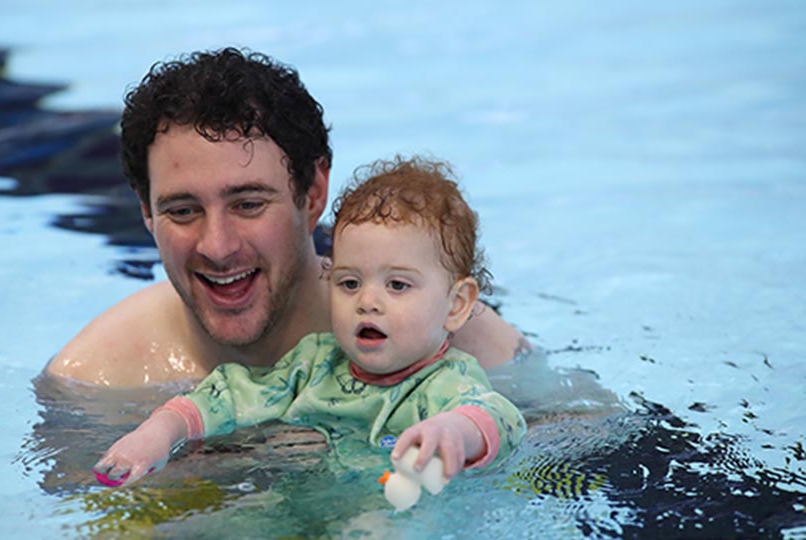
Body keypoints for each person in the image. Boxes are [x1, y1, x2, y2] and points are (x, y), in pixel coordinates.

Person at [44, 47, 529, 387]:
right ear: (146, 213)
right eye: (183, 210)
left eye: (249, 204)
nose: (218, 245)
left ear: (313, 192)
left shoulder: (449, 336)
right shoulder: (96, 380)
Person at [92, 156, 527, 488]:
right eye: (350, 282)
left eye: (397, 286)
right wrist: (157, 433)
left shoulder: (446, 385)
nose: (368, 302)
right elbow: (227, 395)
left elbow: (499, 418)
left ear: (457, 304)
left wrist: (453, 432)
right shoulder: (312, 365)